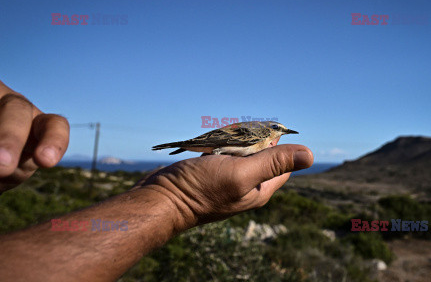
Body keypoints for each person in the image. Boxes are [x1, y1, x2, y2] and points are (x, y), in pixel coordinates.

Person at [0, 80, 314, 281]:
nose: (280, 133)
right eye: (278, 128)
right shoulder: (259, 133)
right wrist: (182, 196)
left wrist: (178, 190)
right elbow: (221, 141)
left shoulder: (263, 133)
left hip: (209, 145)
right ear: (270, 127)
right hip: (213, 144)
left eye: (282, 131)